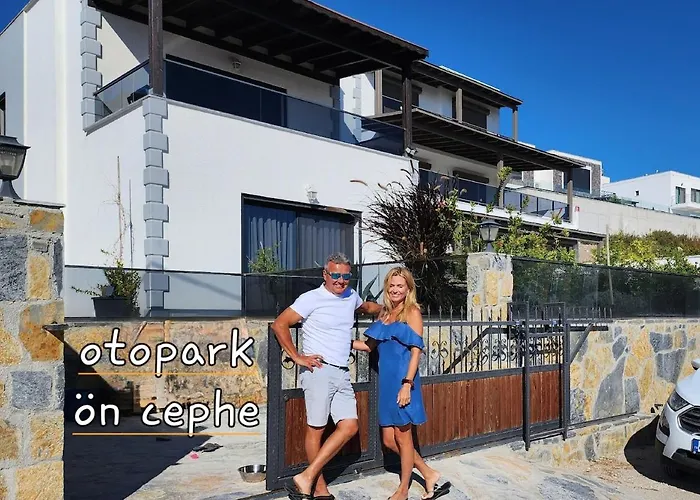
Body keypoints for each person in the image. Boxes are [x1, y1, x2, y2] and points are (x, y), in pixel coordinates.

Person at [271, 252, 382, 500]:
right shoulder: (311, 298)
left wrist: (388, 309)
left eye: (346, 276)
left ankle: (306, 477)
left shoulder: (350, 296)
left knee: (349, 426)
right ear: (325, 274)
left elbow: (366, 307)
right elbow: (280, 324)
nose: (340, 280)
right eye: (335, 275)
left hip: (341, 371)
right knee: (316, 429)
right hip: (319, 371)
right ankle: (320, 489)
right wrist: (297, 356)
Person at [352, 267, 450, 500]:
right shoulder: (385, 314)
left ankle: (403, 490)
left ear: (408, 289)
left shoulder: (412, 312)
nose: (395, 290)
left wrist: (407, 384)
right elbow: (368, 346)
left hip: (403, 383)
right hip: (386, 385)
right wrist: (340, 341)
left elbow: (416, 352)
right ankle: (428, 473)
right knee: (389, 440)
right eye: (392, 285)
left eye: (400, 286)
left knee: (403, 439)